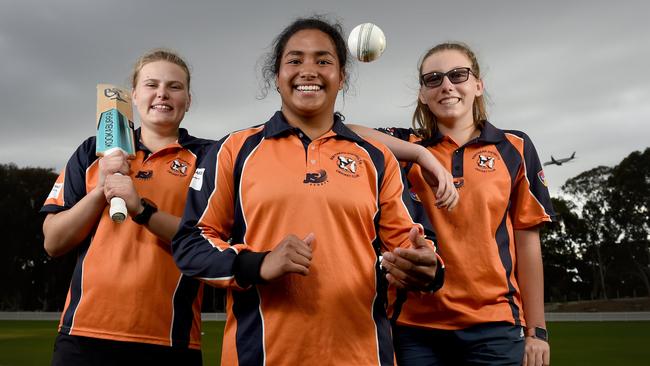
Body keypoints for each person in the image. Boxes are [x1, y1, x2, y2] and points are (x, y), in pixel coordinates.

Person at [171, 17, 454, 366]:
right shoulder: (234, 150)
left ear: (342, 77)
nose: (308, 70)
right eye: (295, 60)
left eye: (323, 61)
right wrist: (258, 263)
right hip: (259, 356)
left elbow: (416, 245)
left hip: (363, 356)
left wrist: (427, 267)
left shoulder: (377, 158)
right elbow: (191, 243)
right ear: (276, 76)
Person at [348, 42, 556, 366]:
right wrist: (421, 154)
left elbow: (528, 245)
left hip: (495, 327)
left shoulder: (514, 147)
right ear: (422, 93)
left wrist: (537, 331)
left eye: (458, 75)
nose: (446, 85)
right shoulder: (405, 147)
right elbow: (342, 130)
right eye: (433, 79)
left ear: (477, 84)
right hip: (415, 328)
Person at [41, 49, 213, 366]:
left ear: (188, 99)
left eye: (174, 86)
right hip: (83, 335)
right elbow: (53, 241)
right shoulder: (93, 151)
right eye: (151, 84)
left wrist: (141, 210)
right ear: (134, 95)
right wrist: (100, 192)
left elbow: (207, 241)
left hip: (169, 338)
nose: (162, 93)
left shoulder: (210, 158)